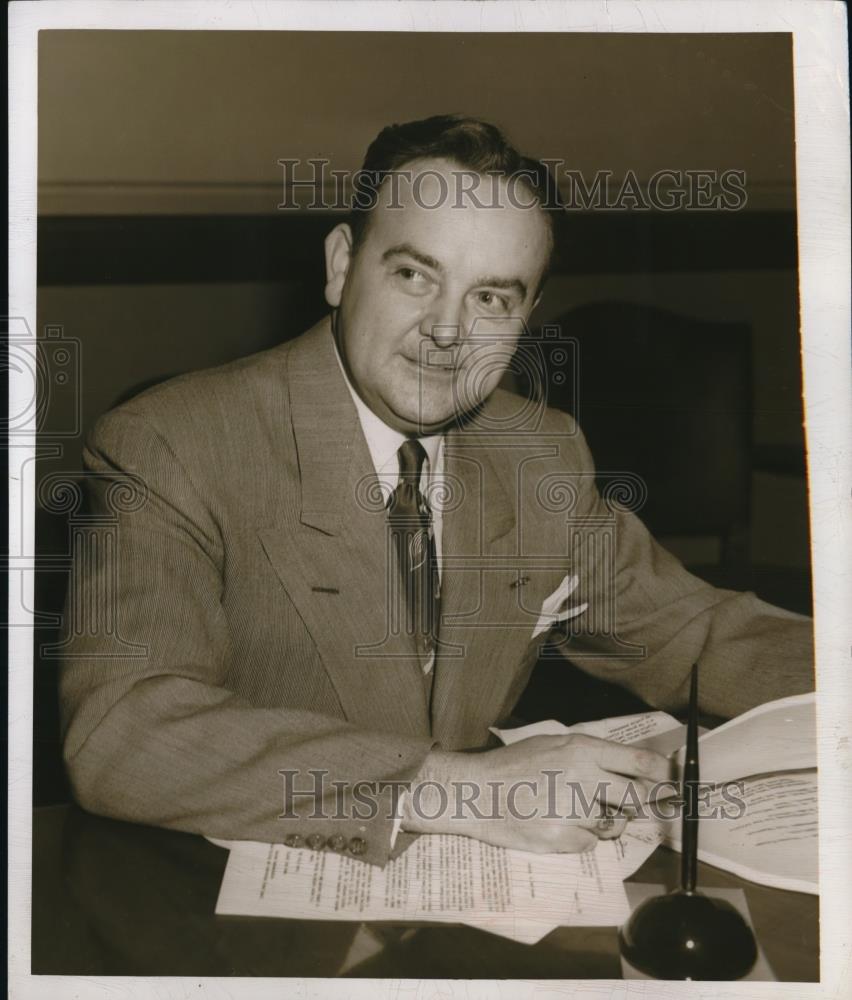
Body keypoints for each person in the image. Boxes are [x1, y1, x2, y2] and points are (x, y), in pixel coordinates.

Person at [59, 115, 814, 867]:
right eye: (414, 275)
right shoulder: (170, 443)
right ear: (341, 266)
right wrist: (466, 791)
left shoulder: (539, 451)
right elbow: (122, 731)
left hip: (476, 905)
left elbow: (694, 633)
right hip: (218, 902)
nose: (448, 332)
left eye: (492, 299)